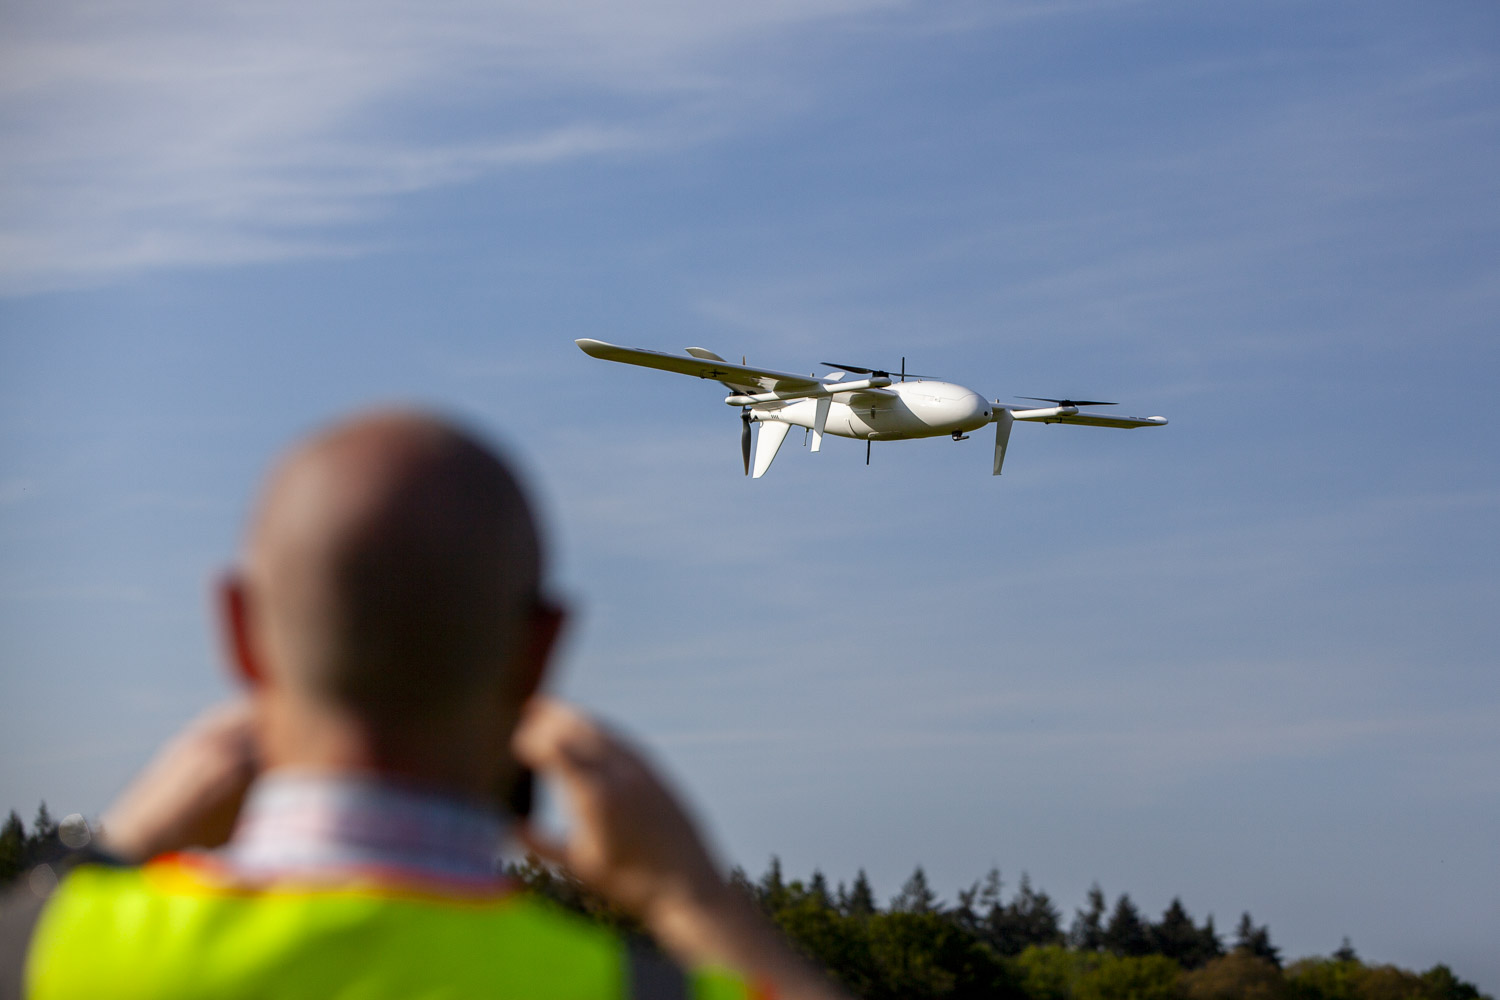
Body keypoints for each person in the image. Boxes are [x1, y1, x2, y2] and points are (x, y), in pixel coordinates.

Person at [2, 410, 847, 1000]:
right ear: (542, 651)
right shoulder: (635, 989)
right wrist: (689, 898)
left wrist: (107, 858)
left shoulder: (51, 961)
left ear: (240, 632)